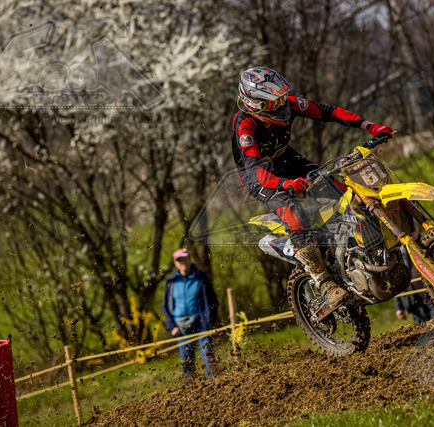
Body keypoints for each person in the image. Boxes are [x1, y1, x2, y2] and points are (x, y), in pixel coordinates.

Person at [232, 66, 394, 307]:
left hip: (285, 159)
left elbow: (328, 112)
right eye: (272, 103)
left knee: (341, 189)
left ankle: (359, 249)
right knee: (294, 216)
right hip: (260, 177)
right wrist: (286, 183)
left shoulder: (288, 104)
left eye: (281, 99)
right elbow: (257, 172)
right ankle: (324, 282)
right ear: (254, 104)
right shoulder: (245, 126)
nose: (280, 106)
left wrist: (369, 126)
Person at [162, 248, 219, 382]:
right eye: (180, 260)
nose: (183, 262)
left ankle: (215, 383)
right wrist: (171, 327)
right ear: (176, 263)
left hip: (201, 323)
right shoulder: (171, 282)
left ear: (189, 260)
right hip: (181, 327)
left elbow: (212, 300)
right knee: (186, 359)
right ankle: (192, 387)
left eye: (185, 259)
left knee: (208, 354)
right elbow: (166, 306)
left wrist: (211, 319)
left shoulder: (201, 277)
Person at [395, 229, 434, 323]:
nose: (410, 233)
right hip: (415, 302)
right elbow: (398, 280)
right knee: (423, 328)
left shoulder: (430, 244)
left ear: (417, 229)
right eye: (407, 230)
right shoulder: (401, 252)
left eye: (412, 229)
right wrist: (398, 307)